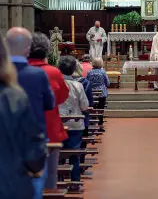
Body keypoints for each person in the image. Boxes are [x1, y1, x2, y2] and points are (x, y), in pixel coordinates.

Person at [6, 27, 55, 199]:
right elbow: (50, 103)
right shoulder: (37, 75)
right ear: (28, 49)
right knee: (33, 189)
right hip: (30, 143)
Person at [28, 32, 69, 189]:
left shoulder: (13, 71)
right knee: (50, 176)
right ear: (46, 50)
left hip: (20, 132)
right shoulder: (53, 72)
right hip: (49, 129)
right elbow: (61, 97)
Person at [58, 56, 89, 189]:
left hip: (59, 124)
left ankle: (58, 180)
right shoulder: (78, 85)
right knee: (74, 153)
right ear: (73, 70)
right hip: (75, 123)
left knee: (58, 153)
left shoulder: (55, 84)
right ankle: (75, 182)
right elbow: (84, 106)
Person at [86, 58, 110, 128]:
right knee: (101, 108)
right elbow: (108, 83)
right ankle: (100, 123)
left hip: (92, 93)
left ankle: (92, 123)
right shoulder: (103, 72)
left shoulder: (89, 72)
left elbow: (87, 82)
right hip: (102, 93)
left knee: (92, 108)